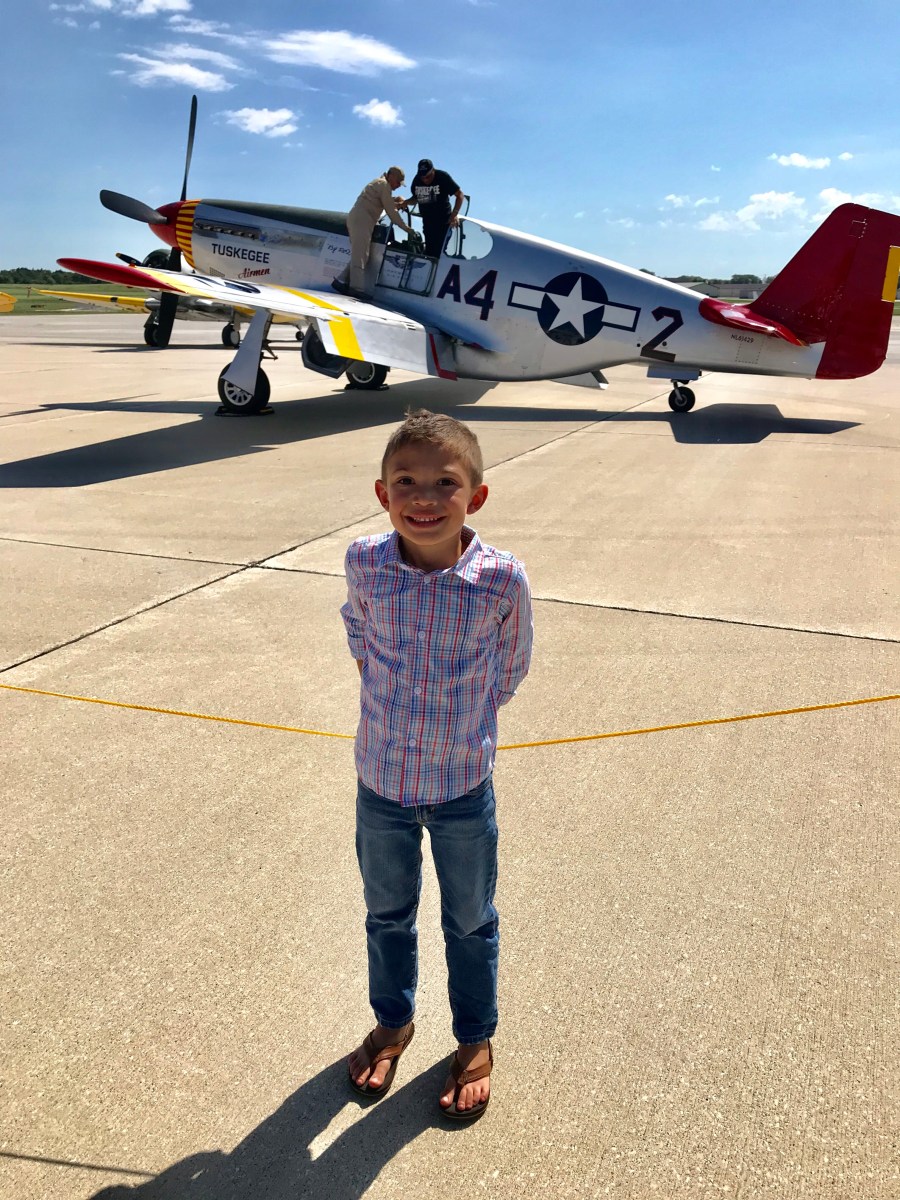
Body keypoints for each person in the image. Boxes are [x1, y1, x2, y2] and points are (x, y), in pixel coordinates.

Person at [341, 409, 533, 1121]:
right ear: (382, 493)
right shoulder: (364, 562)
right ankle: (393, 1022)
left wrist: (465, 724)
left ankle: (474, 1037)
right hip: (381, 784)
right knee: (386, 915)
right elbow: (358, 634)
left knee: (470, 920)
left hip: (461, 789)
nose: (423, 498)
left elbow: (512, 664)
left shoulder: (501, 579)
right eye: (405, 482)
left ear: (474, 496)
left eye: (444, 483)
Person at [333, 166, 414, 298]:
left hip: (360, 220)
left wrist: (396, 202)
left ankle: (341, 281)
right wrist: (407, 229)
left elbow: (384, 202)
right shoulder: (384, 185)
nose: (399, 186)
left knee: (361, 254)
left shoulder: (380, 184)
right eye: (398, 182)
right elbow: (391, 211)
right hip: (362, 221)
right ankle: (356, 289)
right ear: (391, 177)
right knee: (360, 255)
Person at [404, 158, 465, 259]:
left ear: (433, 170)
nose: (425, 180)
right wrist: (405, 202)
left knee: (439, 252)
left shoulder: (442, 177)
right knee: (429, 252)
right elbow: (415, 199)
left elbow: (460, 195)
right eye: (422, 177)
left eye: (428, 176)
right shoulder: (417, 180)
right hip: (428, 222)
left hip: (444, 222)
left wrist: (454, 214)